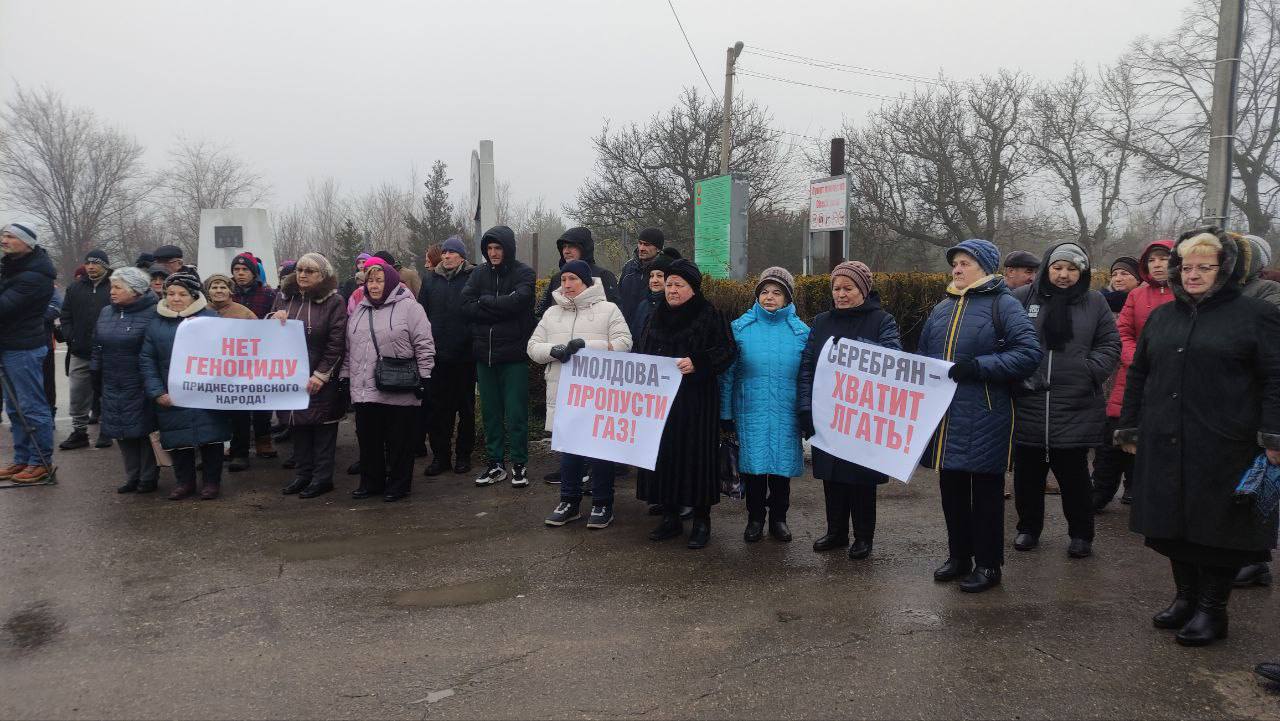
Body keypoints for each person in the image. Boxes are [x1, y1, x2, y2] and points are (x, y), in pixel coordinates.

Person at [1116, 227, 1280, 647]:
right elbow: (1139, 374)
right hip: (1165, 436)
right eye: (1186, 267)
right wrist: (1129, 425)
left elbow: (1276, 377)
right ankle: (1185, 598)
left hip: (1226, 442)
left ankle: (1212, 610)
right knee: (1171, 524)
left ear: (1225, 270)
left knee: (1216, 530)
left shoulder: (1255, 316)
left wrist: (1273, 434)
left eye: (1204, 267)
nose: (1193, 275)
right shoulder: (1162, 316)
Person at [918, 239, 1042, 592]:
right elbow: (926, 356)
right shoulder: (941, 309)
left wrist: (979, 367)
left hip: (987, 414)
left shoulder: (1003, 305)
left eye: (965, 263)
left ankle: (989, 565)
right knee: (951, 490)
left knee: (986, 495)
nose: (957, 269)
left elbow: (1029, 353)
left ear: (985, 269)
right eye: (955, 263)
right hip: (946, 416)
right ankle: (959, 557)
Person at [1009, 243, 1120, 559]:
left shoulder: (1095, 302)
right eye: (1058, 267)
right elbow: (1005, 338)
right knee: (1028, 475)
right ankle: (1028, 529)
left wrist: (1087, 371)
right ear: (1047, 268)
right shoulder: (1021, 299)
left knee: (1075, 479)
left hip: (1076, 404)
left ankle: (1081, 534)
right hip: (1029, 401)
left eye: (1072, 269)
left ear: (1082, 272)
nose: (1064, 274)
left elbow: (1110, 345)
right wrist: (1017, 372)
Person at [797, 261, 902, 558]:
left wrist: (856, 349)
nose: (840, 294)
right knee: (832, 477)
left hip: (862, 413)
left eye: (848, 288)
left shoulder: (882, 320)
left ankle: (864, 536)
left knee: (861, 480)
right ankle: (836, 531)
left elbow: (892, 358)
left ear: (863, 290)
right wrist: (806, 408)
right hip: (828, 412)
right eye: (836, 288)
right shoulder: (821, 321)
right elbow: (808, 366)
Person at [635, 259, 737, 549]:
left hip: (696, 401)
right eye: (669, 284)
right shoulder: (656, 316)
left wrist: (699, 363)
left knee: (696, 459)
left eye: (679, 285)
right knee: (665, 457)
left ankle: (702, 521)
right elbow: (641, 349)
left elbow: (727, 350)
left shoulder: (709, 315)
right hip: (661, 402)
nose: (672, 290)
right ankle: (670, 517)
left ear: (693, 288)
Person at [529, 259, 632, 529]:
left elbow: (624, 343)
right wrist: (554, 350)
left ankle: (602, 503)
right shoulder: (552, 314)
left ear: (586, 281)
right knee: (569, 452)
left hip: (599, 394)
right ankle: (569, 501)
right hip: (564, 392)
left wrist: (587, 345)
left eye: (573, 279)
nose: (567, 285)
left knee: (600, 451)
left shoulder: (608, 310)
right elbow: (532, 346)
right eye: (563, 280)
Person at [719, 267, 810, 544]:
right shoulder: (739, 328)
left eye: (777, 292)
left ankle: (779, 519)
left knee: (781, 472)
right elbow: (727, 375)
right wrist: (725, 413)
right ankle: (755, 519)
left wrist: (807, 412)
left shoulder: (802, 332)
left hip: (786, 411)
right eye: (765, 292)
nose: (770, 297)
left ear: (787, 298)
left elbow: (809, 376)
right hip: (750, 411)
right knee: (754, 470)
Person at [342, 258, 434, 501]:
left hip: (399, 385)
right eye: (370, 280)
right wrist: (345, 376)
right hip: (364, 388)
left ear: (391, 282)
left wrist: (425, 377)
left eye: (379, 280)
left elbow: (424, 345)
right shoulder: (359, 310)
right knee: (369, 439)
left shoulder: (410, 308)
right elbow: (349, 349)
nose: (373, 285)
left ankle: (399, 484)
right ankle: (371, 482)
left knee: (399, 441)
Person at [140, 271, 231, 500]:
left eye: (182, 294)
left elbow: (227, 355)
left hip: (207, 395)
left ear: (193, 296)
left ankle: (211, 482)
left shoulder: (211, 320)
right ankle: (184, 483)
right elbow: (147, 361)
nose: (176, 298)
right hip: (171, 396)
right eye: (171, 293)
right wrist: (157, 392)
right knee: (178, 443)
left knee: (211, 440)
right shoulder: (155, 324)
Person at [1100, 239, 1174, 508]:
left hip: (1172, 381)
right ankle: (1100, 492)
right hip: (1131, 375)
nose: (1157, 264)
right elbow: (1123, 333)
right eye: (1152, 260)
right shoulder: (1138, 295)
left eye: (1164, 258)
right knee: (1114, 437)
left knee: (1157, 441)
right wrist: (1139, 361)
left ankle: (1145, 494)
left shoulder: (1186, 293)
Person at [268, 252, 348, 498]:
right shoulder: (284, 298)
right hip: (291, 377)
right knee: (297, 426)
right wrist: (273, 318)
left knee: (322, 429)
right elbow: (266, 333)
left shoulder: (334, 302)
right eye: (300, 269)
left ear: (322, 275)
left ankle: (322, 478)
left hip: (321, 377)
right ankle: (303, 474)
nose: (302, 274)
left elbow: (337, 343)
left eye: (309, 271)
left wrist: (320, 375)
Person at [461, 225, 536, 488]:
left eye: (498, 248)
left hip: (514, 355)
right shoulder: (478, 274)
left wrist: (486, 302)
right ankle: (495, 464)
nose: (493, 253)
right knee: (491, 413)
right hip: (485, 356)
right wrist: (500, 305)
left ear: (508, 248)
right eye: (489, 248)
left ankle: (519, 464)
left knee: (516, 414)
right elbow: (466, 305)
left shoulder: (524, 273)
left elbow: (521, 302)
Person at [1231, 234, 1280, 589]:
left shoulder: (1266, 294)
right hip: (1228, 401)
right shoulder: (1224, 292)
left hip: (1258, 398)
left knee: (1258, 481)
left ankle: (1257, 559)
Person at [93, 267, 160, 493]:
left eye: (118, 287)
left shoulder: (153, 312)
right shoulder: (106, 312)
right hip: (112, 379)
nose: (112, 291)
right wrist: (96, 372)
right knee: (120, 428)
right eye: (112, 286)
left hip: (139, 380)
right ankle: (132, 476)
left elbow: (155, 351)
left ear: (136, 291)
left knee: (143, 430)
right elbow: (98, 346)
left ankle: (148, 477)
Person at [0, 223, 57, 484]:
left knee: (32, 407)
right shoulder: (12, 266)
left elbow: (5, 307)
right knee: (14, 408)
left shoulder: (35, 275)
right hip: (8, 344)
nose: (4, 240)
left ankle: (40, 462)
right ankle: (22, 458)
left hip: (23, 348)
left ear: (27, 243)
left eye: (11, 236)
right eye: (3, 235)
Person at [418, 235, 476, 476]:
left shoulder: (473, 277)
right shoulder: (430, 280)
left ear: (462, 256)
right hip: (437, 357)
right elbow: (421, 315)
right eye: (444, 253)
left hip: (465, 357)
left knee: (466, 410)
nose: (447, 256)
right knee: (438, 410)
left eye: (452, 252)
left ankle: (463, 456)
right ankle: (440, 457)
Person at [1090, 255, 1142, 513]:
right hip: (1106, 377)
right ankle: (1100, 487)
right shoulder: (1100, 303)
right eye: (1115, 274)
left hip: (1132, 373)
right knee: (1107, 436)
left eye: (1125, 274)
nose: (1119, 279)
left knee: (1134, 430)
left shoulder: (1144, 303)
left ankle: (1133, 485)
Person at [58, 249, 115, 451]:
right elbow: (65, 315)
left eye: (96, 263)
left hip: (108, 351)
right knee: (78, 392)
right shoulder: (75, 288)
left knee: (107, 391)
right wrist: (70, 336)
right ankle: (79, 431)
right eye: (88, 263)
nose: (91, 266)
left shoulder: (115, 286)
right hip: (80, 351)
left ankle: (107, 430)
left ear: (105, 265)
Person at [227, 252, 278, 462]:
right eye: (236, 270)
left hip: (260, 357)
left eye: (244, 270)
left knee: (261, 402)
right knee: (238, 405)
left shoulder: (268, 294)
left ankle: (263, 441)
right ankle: (239, 451)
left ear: (253, 272)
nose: (240, 274)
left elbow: (274, 318)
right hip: (233, 358)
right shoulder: (227, 293)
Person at [535, 227, 620, 317]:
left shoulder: (603, 276)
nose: (566, 251)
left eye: (571, 246)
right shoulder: (557, 278)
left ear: (584, 248)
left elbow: (615, 315)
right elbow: (543, 313)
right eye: (564, 247)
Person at [618, 227, 665, 337]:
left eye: (647, 245)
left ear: (658, 248)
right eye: (640, 243)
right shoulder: (628, 268)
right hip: (625, 332)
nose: (642, 248)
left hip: (651, 336)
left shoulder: (666, 269)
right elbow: (618, 298)